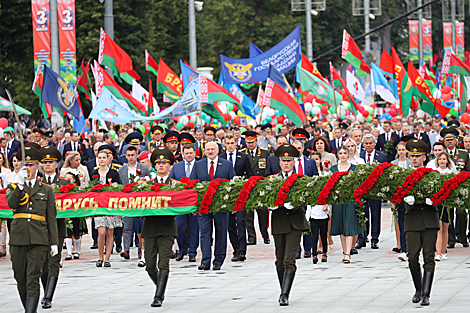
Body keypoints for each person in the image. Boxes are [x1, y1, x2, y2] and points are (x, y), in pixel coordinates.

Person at [6, 146, 58, 312]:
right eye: (25, 164)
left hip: (39, 238)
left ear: (38, 166)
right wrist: (20, 185)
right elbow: (12, 204)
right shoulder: (14, 187)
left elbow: (51, 217)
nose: (28, 167)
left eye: (32, 164)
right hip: (18, 237)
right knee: (20, 278)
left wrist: (54, 243)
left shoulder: (46, 190)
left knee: (32, 277)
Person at [268, 144, 309, 306]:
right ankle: (282, 290)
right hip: (278, 221)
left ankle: (285, 294)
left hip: (295, 222)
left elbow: (306, 197)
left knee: (289, 259)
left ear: (294, 162)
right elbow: (265, 198)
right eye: (283, 161)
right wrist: (272, 204)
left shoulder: (300, 180)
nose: (286, 163)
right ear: (279, 162)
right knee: (279, 260)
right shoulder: (272, 180)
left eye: (289, 161)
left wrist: (295, 204)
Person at [402, 139, 439, 306]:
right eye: (412, 155)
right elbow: (398, 193)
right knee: (412, 257)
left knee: (429, 257)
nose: (414, 158)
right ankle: (418, 288)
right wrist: (405, 200)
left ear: (425, 157)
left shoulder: (432, 174)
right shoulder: (405, 175)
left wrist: (435, 200)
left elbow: (442, 192)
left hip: (430, 219)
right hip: (413, 219)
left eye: (418, 156)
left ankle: (426, 294)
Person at [142, 146, 178, 307]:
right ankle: (160, 287)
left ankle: (158, 297)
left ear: (170, 166)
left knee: (163, 262)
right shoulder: (147, 185)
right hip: (150, 227)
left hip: (167, 227)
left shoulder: (175, 185)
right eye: (158, 163)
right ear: (154, 166)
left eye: (165, 163)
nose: (161, 166)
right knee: (150, 266)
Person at [192, 142, 235, 270]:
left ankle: (218, 260)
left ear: (217, 150)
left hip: (221, 205)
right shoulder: (198, 164)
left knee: (221, 233)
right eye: (208, 149)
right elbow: (193, 184)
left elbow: (233, 184)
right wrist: (194, 205)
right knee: (204, 233)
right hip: (203, 206)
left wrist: (232, 204)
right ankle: (205, 261)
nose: (210, 151)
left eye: (213, 149)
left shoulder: (226, 164)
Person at [38, 146, 69, 309]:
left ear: (57, 164)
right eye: (45, 162)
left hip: (57, 227)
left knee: (53, 261)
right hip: (40, 227)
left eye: (50, 162)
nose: (47, 165)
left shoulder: (64, 183)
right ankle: (45, 292)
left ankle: (48, 297)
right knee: (43, 263)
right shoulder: (37, 183)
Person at [220, 132, 254, 262]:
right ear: (224, 144)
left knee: (240, 222)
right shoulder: (221, 157)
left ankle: (242, 251)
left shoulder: (243, 157)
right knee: (230, 224)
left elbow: (250, 175)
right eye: (227, 143)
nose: (230, 146)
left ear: (236, 143)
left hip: (241, 194)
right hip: (226, 196)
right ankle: (235, 249)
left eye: (232, 143)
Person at [330, 146, 363, 264]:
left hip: (350, 199)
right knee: (341, 227)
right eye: (341, 153)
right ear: (338, 154)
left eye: (345, 153)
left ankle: (348, 253)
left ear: (349, 154)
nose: (343, 155)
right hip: (338, 200)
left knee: (349, 224)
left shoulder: (354, 168)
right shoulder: (333, 168)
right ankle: (345, 252)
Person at [118, 146, 150, 266]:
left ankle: (141, 250)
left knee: (141, 227)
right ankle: (126, 249)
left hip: (140, 202)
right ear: (125, 156)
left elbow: (148, 183)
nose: (131, 157)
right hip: (127, 202)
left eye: (133, 155)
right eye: (129, 155)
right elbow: (120, 186)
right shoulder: (121, 170)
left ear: (137, 155)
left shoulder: (144, 168)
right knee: (127, 225)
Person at [440, 127, 470, 248]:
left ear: (456, 140)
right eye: (447, 140)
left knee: (461, 213)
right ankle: (451, 240)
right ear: (444, 141)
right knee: (449, 214)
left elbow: (468, 170)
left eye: (452, 140)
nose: (449, 142)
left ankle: (462, 238)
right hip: (447, 189)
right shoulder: (442, 155)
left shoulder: (463, 153)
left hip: (461, 188)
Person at [91, 150, 121, 267]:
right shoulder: (94, 173)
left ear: (108, 159)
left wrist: (118, 209)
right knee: (101, 232)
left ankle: (107, 258)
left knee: (110, 232)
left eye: (104, 157)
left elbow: (118, 189)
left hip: (111, 207)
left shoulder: (114, 173)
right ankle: (100, 256)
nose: (102, 159)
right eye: (100, 157)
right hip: (99, 207)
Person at [239, 131, 271, 245]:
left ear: (256, 141)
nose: (250, 144)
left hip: (260, 187)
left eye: (252, 142)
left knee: (263, 213)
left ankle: (264, 234)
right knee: (248, 215)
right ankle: (251, 237)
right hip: (247, 187)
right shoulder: (241, 153)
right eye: (248, 142)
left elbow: (267, 169)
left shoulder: (264, 153)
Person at [169, 144, 199, 262]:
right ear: (182, 154)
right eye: (186, 153)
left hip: (193, 203)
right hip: (180, 203)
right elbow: (170, 181)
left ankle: (192, 252)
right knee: (180, 227)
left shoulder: (199, 165)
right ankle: (182, 250)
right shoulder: (177, 166)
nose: (189, 155)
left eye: (191, 153)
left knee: (193, 228)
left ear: (194, 153)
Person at [357, 134, 386, 249]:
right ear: (363, 145)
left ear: (375, 143)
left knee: (375, 214)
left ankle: (375, 239)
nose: (368, 145)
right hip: (362, 190)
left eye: (370, 143)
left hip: (375, 190)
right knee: (362, 213)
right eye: (366, 143)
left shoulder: (381, 156)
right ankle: (362, 238)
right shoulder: (359, 156)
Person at [428, 151, 456, 261]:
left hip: (448, 202)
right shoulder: (435, 172)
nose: (442, 161)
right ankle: (438, 252)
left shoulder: (450, 173)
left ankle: (444, 252)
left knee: (446, 227)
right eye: (440, 159)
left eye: (444, 159)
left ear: (447, 161)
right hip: (438, 202)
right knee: (438, 228)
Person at [391, 141, 413, 261]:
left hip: (410, 196)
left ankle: (411, 248)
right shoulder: (393, 164)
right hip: (399, 197)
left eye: (403, 150)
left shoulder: (411, 163)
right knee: (401, 223)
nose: (401, 152)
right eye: (399, 150)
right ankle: (404, 249)